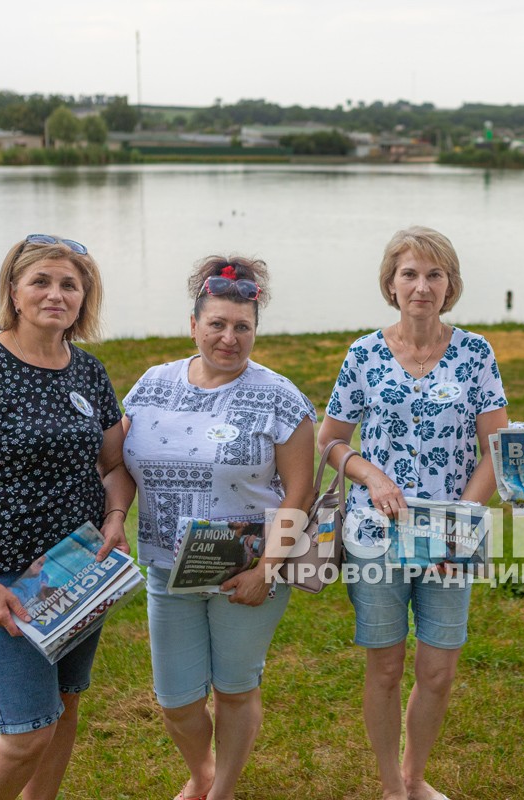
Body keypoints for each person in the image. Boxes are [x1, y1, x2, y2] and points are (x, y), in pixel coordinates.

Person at [0, 234, 134, 800]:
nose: (55, 294)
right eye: (40, 281)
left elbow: (115, 464)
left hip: (78, 574)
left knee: (64, 709)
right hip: (6, 582)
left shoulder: (88, 372)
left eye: (69, 283)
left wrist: (115, 517)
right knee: (26, 730)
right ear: (14, 291)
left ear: (84, 296)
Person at [319, 225, 509, 800]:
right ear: (391, 283)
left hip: (450, 539)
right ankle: (388, 787)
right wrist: (372, 475)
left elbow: (495, 452)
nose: (421, 286)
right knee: (385, 669)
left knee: (438, 671)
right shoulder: (364, 353)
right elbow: (328, 441)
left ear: (449, 284)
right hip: (375, 536)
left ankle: (414, 776)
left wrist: (460, 522)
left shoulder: (475, 353)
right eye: (409, 274)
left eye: (434, 275)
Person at [122, 256, 315, 800]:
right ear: (194, 324)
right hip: (165, 568)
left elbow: (299, 492)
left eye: (242, 327)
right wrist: (115, 515)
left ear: (255, 330)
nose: (229, 338)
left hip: (246, 568)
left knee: (234, 688)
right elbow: (120, 465)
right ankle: (203, 772)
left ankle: (222, 789)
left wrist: (267, 569)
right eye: (217, 324)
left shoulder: (279, 395)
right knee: (176, 700)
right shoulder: (151, 385)